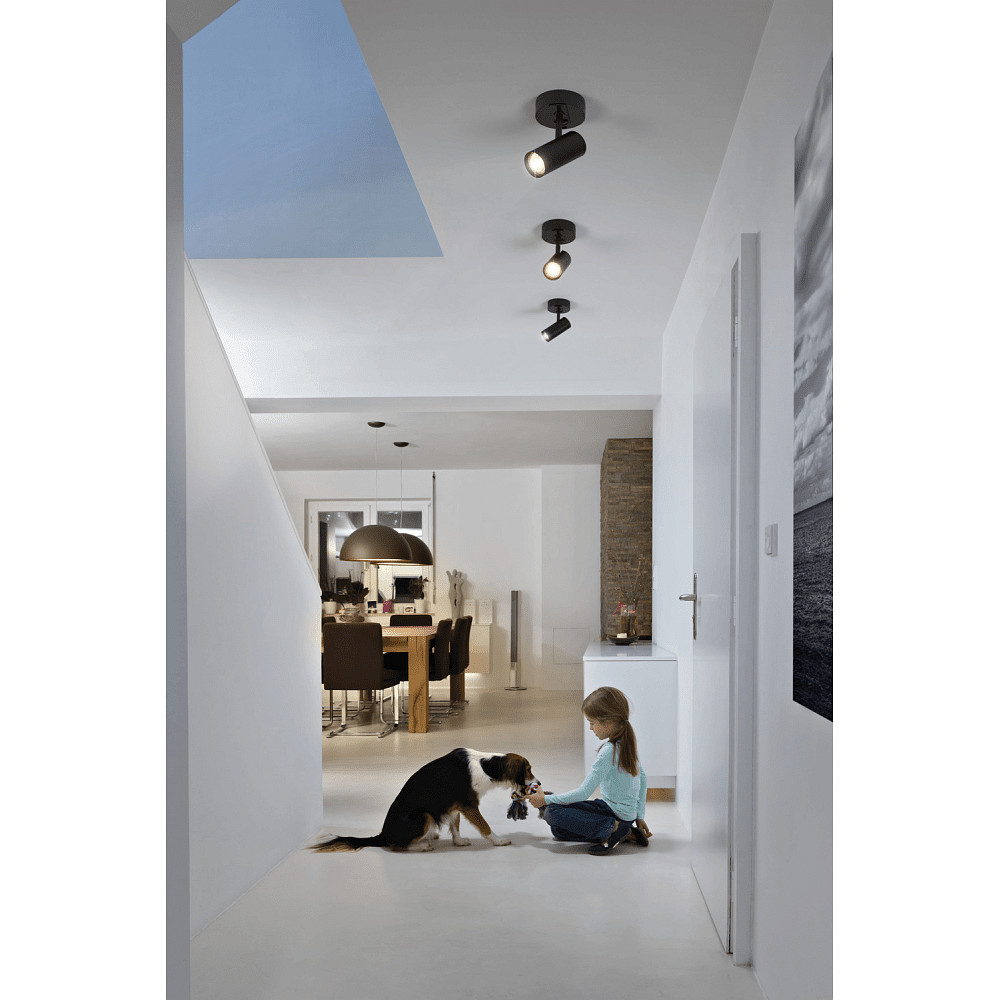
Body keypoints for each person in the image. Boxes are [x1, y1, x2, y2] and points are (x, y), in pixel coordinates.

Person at [527, 686, 652, 855]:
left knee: (553, 813)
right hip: (619, 814)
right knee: (558, 831)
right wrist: (639, 816)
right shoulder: (627, 743)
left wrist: (546, 800)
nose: (590, 728)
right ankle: (627, 832)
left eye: (592, 723)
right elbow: (643, 778)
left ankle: (613, 830)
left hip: (613, 813)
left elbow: (584, 792)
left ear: (608, 722)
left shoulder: (609, 751)